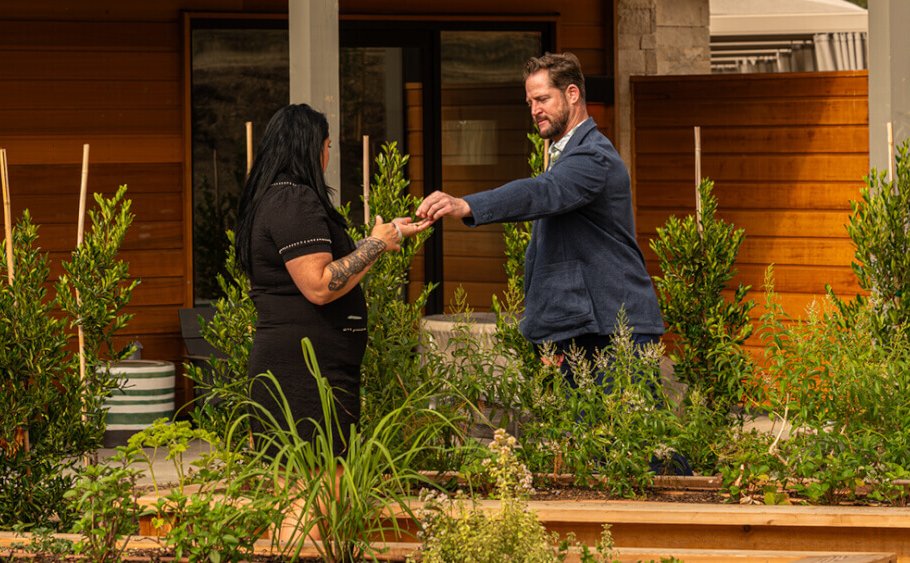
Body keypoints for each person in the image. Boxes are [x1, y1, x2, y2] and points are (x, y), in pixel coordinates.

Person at [414, 52, 664, 389]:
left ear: (572, 94)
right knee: (580, 438)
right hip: (584, 328)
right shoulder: (564, 155)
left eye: (543, 98)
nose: (534, 110)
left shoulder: (593, 156)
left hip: (614, 329)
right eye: (530, 101)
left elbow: (542, 192)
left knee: (627, 438)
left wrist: (466, 204)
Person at [235, 103, 430, 457]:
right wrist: (375, 244)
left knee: (319, 483)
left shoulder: (279, 198)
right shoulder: (294, 200)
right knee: (314, 483)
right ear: (311, 148)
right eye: (328, 146)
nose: (329, 155)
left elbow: (321, 267)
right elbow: (321, 285)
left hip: (314, 364)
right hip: (305, 369)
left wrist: (386, 236)